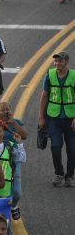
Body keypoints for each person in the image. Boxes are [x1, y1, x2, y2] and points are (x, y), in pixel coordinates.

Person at [38, 51, 74, 187]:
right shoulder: (50, 75)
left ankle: (69, 176)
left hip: (71, 118)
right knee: (55, 146)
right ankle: (59, 173)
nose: (57, 63)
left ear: (66, 62)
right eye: (56, 61)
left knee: (72, 149)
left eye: (60, 61)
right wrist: (41, 117)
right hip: (54, 117)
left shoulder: (74, 76)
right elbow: (44, 96)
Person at [0, 101, 28, 217]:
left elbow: (25, 135)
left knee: (17, 192)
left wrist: (13, 123)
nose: (6, 112)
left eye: (7, 109)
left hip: (14, 160)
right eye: (2, 110)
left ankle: (14, 206)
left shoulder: (16, 123)